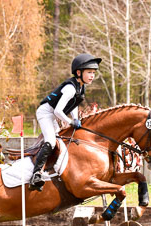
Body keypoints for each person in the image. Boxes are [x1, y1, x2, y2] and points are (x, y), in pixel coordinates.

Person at [29, 53, 102, 192]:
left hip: (54, 114)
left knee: (60, 141)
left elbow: (73, 105)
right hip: (46, 113)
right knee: (50, 141)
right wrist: (70, 122)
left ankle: (53, 171)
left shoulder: (80, 87)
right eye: (89, 72)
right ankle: (36, 175)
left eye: (93, 72)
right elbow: (57, 111)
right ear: (79, 72)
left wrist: (75, 119)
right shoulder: (70, 88)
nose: (92, 75)